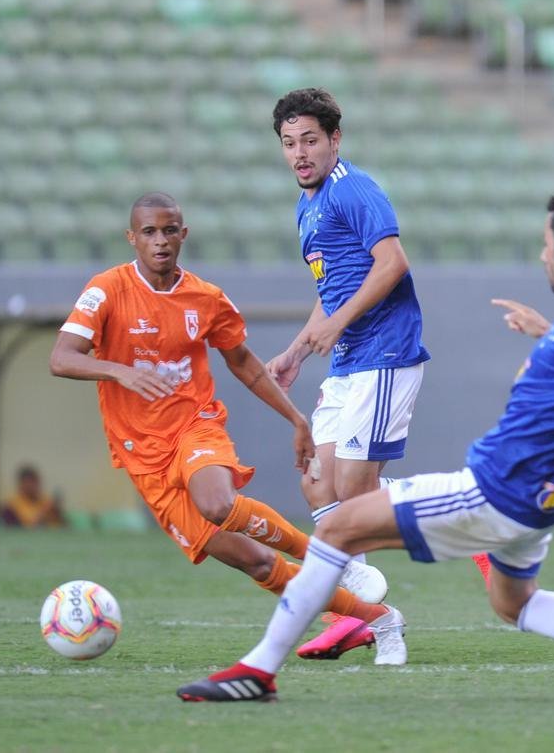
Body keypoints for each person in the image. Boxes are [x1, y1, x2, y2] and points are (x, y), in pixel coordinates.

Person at [176, 191, 554, 703]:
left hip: (495, 490)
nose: (544, 253)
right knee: (515, 603)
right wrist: (548, 335)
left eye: (548, 244)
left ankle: (258, 672)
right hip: (543, 501)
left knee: (336, 527)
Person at [50, 192, 405, 665]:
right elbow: (62, 357)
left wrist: (296, 418)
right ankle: (379, 618)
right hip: (142, 455)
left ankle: (337, 563)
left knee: (217, 502)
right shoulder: (107, 290)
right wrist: (120, 371)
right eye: (149, 232)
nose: (160, 241)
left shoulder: (206, 298)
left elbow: (246, 365)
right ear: (131, 238)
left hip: (194, 427)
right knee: (255, 562)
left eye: (169, 230)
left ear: (184, 234)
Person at [263, 88, 430, 656]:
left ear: (335, 139)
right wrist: (297, 350)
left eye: (310, 140)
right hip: (347, 360)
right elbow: (331, 291)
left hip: (385, 354)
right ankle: (361, 606)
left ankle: (456, 505)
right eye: (289, 143)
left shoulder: (353, 191)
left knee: (357, 495)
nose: (299, 153)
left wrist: (336, 327)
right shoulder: (306, 206)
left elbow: (392, 264)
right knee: (316, 481)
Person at [0, 464, 65, 528]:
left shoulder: (47, 501)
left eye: (33, 482)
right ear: (20, 485)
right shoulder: (11, 506)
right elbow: (18, 529)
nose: (31, 486)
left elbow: (61, 525)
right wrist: (42, 515)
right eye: (27, 483)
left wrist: (55, 513)